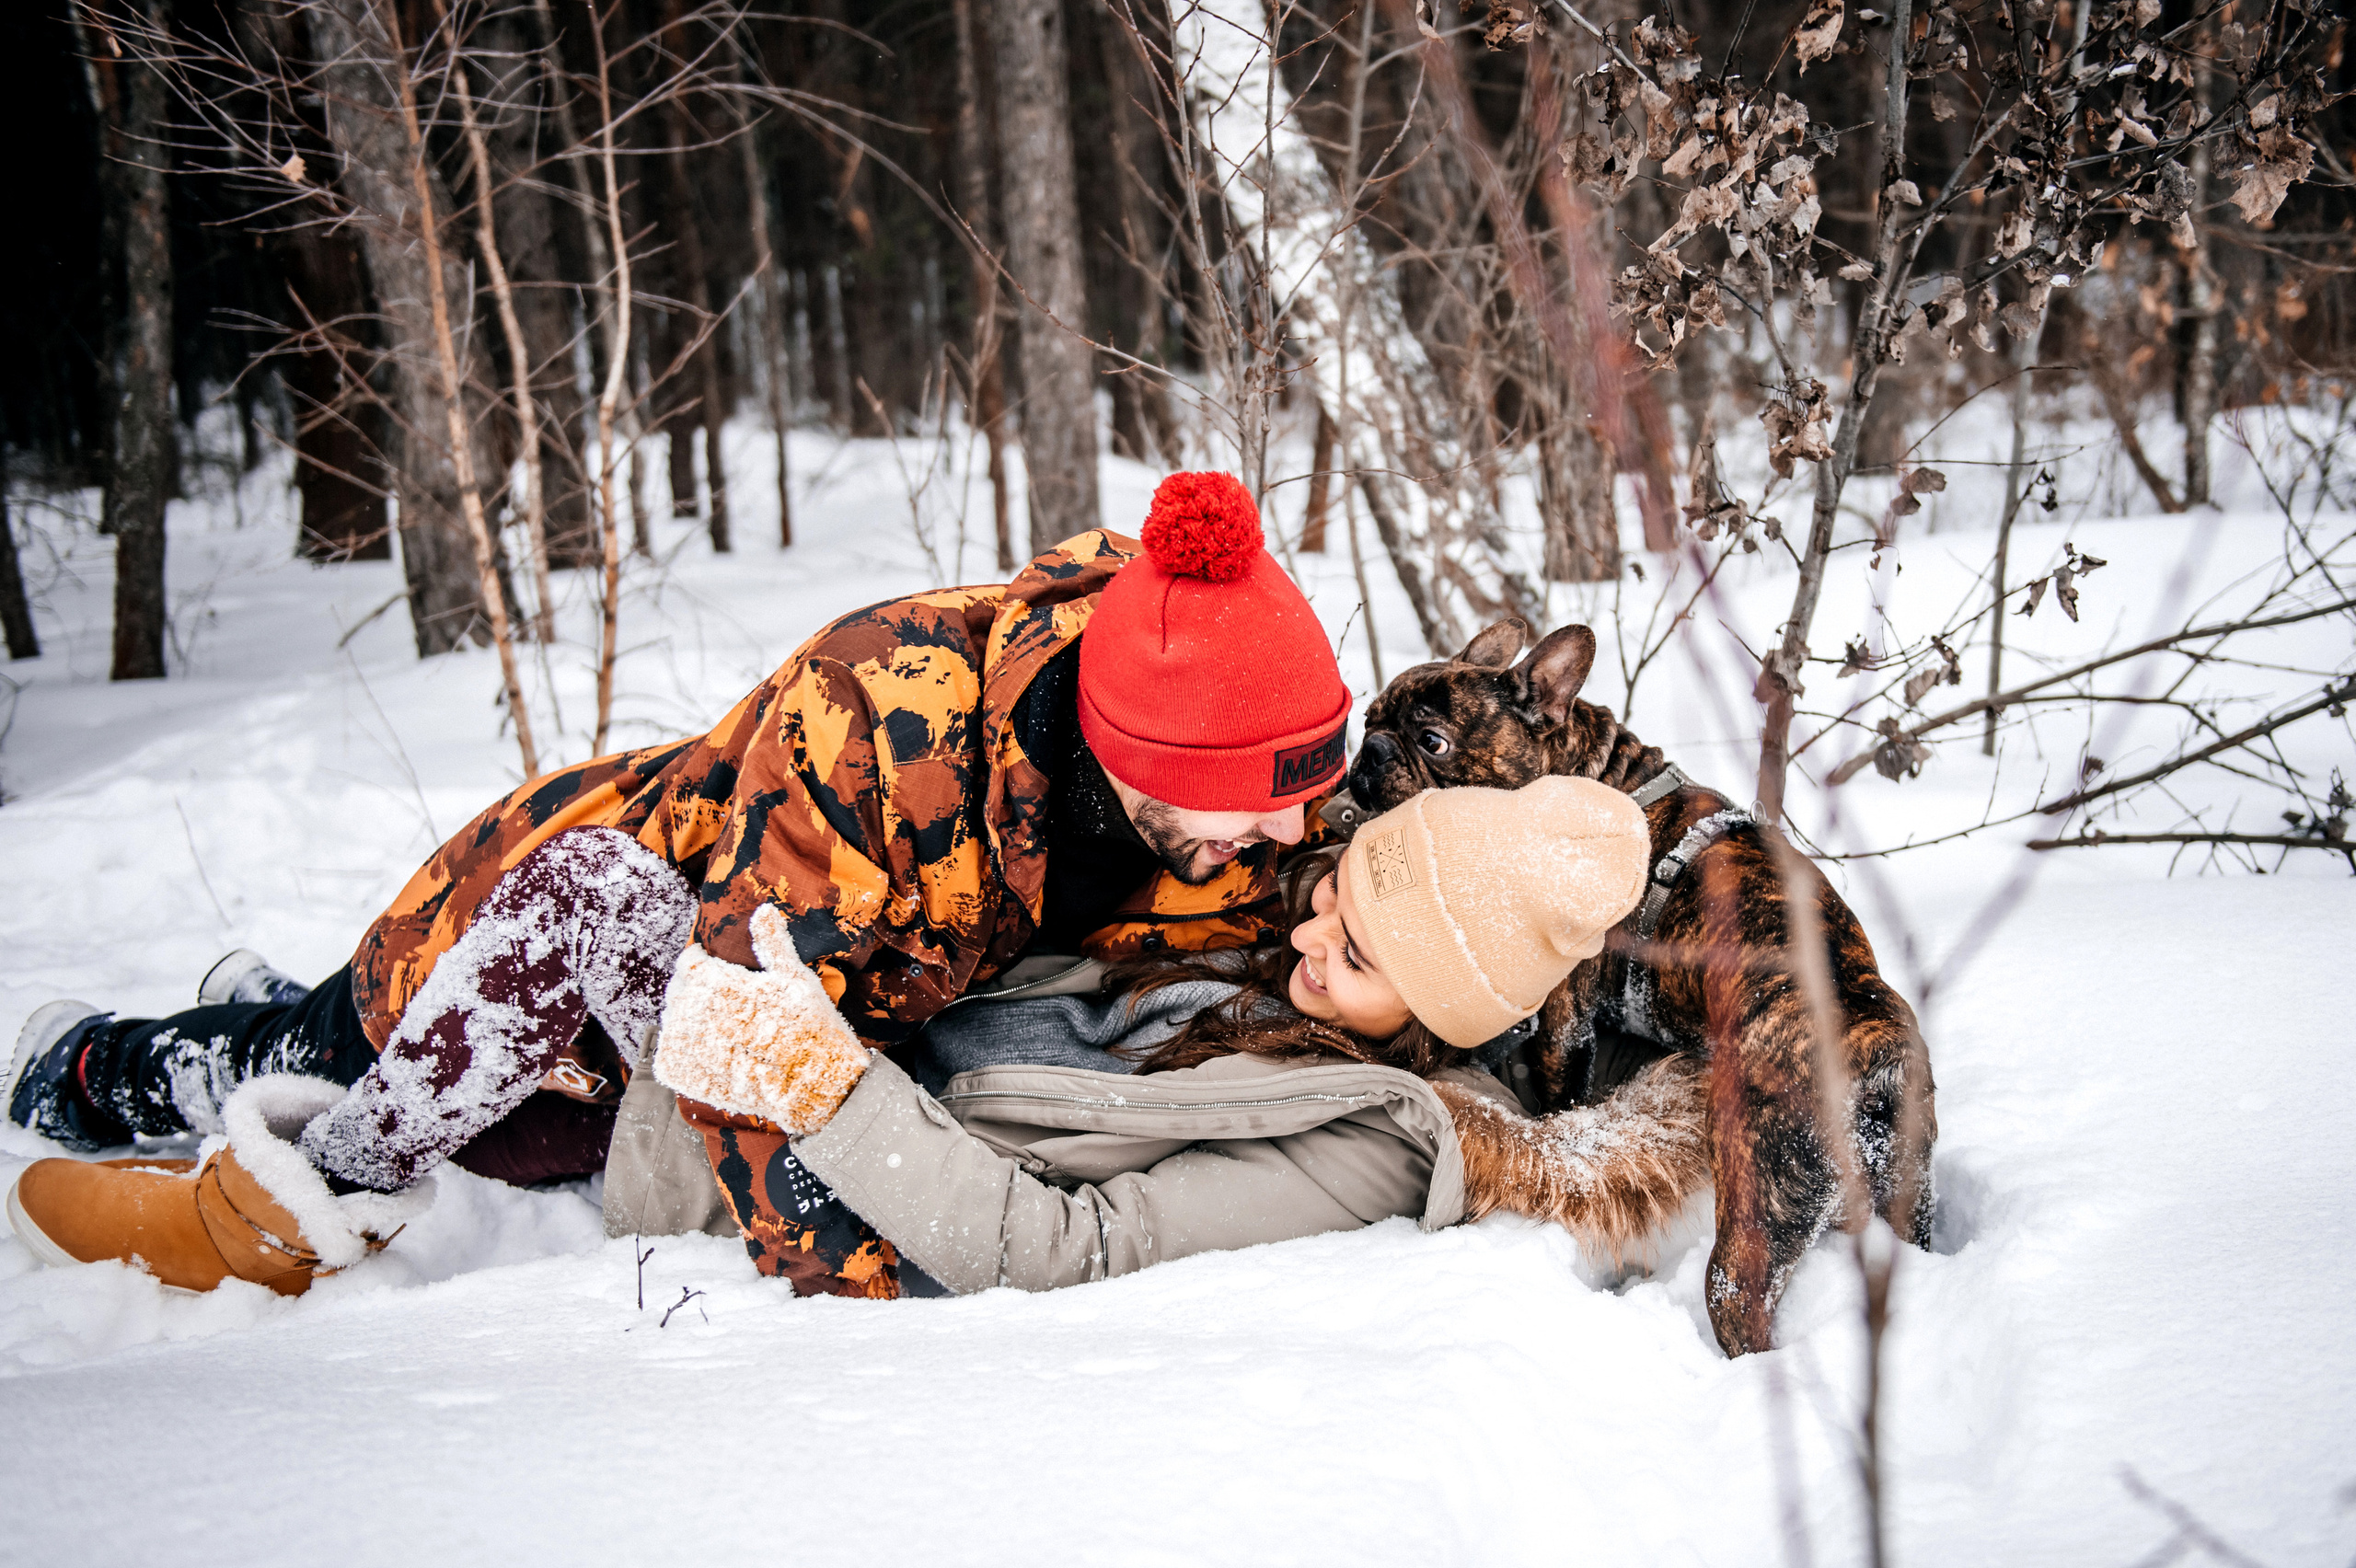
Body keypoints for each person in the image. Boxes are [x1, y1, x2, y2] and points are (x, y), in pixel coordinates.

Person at [6, 471, 1356, 1290]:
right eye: (1261, 808)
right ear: (1132, 757)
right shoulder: (876, 712)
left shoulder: (1206, 743)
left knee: (316, 1025)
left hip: (747, 994)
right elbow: (737, 1029)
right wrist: (850, 1284)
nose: (1291, 838)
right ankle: (82, 1074)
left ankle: (248, 1007)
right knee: (319, 1043)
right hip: (563, 957)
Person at [11, 778, 1713, 1299]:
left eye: (1367, 945)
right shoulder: (1281, 975)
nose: (1315, 923)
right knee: (442, 1000)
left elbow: (1060, 1237)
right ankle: (166, 1063)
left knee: (587, 900)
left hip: (820, 1173)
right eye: (1342, 889)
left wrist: (814, 1080)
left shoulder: (1360, 1143)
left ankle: (287, 1211)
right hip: (822, 1064)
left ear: (1457, 1012)